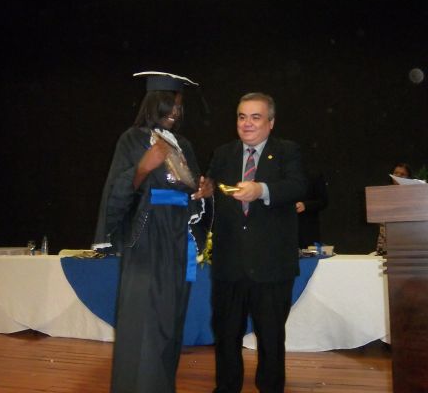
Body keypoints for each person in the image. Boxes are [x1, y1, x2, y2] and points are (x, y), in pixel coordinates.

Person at [93, 71, 207, 393]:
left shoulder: (184, 145)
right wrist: (142, 167)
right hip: (146, 236)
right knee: (143, 319)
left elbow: (193, 192)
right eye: (171, 105)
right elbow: (115, 192)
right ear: (154, 103)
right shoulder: (131, 140)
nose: (176, 112)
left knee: (170, 319)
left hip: (179, 240)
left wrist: (204, 193)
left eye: (180, 106)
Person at [200, 92, 308, 393]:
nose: (247, 123)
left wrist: (261, 190)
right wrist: (204, 191)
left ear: (271, 123)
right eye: (242, 116)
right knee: (225, 337)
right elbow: (211, 192)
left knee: (271, 339)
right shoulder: (223, 153)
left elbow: (298, 186)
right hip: (229, 265)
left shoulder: (287, 151)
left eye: (255, 117)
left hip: (272, 266)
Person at [376, 162, 413, 255]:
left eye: (402, 174)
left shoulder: (413, 194)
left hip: (406, 238)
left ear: (408, 178)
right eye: (396, 173)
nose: (398, 176)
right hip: (386, 239)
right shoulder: (383, 192)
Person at [296, 170, 328, 248]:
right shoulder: (279, 176)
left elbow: (323, 201)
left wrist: (305, 205)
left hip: (306, 230)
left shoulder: (313, 175)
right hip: (283, 230)